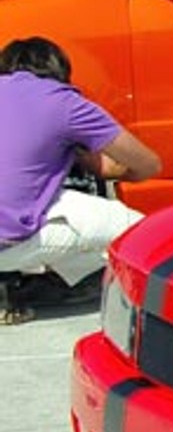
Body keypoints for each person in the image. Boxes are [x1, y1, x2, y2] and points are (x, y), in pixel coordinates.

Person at [0, 37, 161, 321]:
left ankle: (53, 284)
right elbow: (148, 165)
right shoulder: (64, 102)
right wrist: (81, 156)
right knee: (138, 230)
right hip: (6, 242)